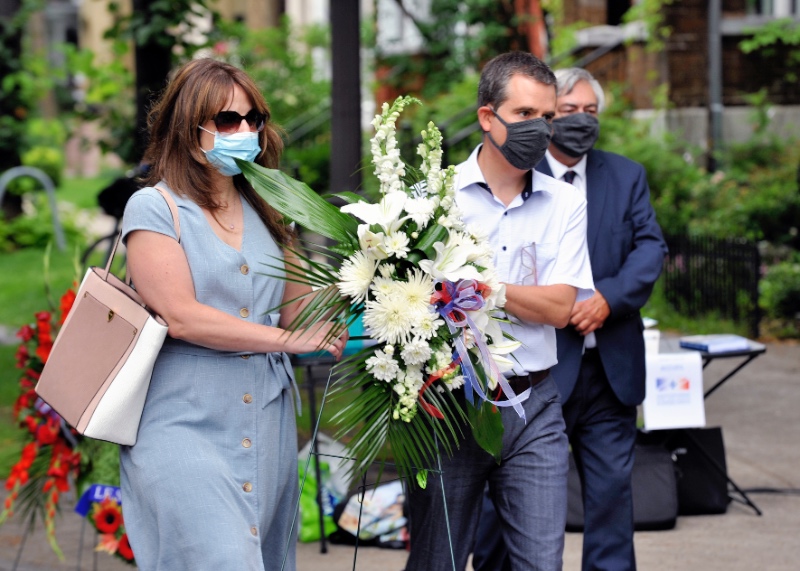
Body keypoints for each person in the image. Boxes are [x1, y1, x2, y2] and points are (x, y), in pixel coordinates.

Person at [119, 58, 348, 571]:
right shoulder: (155, 208)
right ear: (189, 125)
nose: (244, 131)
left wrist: (380, 272)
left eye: (253, 119)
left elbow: (302, 307)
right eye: (227, 120)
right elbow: (181, 317)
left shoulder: (267, 208)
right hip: (181, 421)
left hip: (265, 424)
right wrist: (288, 341)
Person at [405, 52, 594, 571]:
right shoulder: (430, 200)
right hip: (447, 409)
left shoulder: (565, 203)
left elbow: (559, 307)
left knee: (541, 563)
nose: (540, 129)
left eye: (547, 117)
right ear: (488, 118)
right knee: (435, 560)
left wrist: (480, 288)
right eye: (525, 115)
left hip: (534, 406)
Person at [473, 67, 668, 571]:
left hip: (610, 369)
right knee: (506, 501)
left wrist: (607, 297)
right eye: (568, 111)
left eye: (591, 111)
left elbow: (651, 248)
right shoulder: (518, 183)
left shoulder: (625, 176)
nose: (579, 121)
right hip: (542, 372)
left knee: (609, 496)